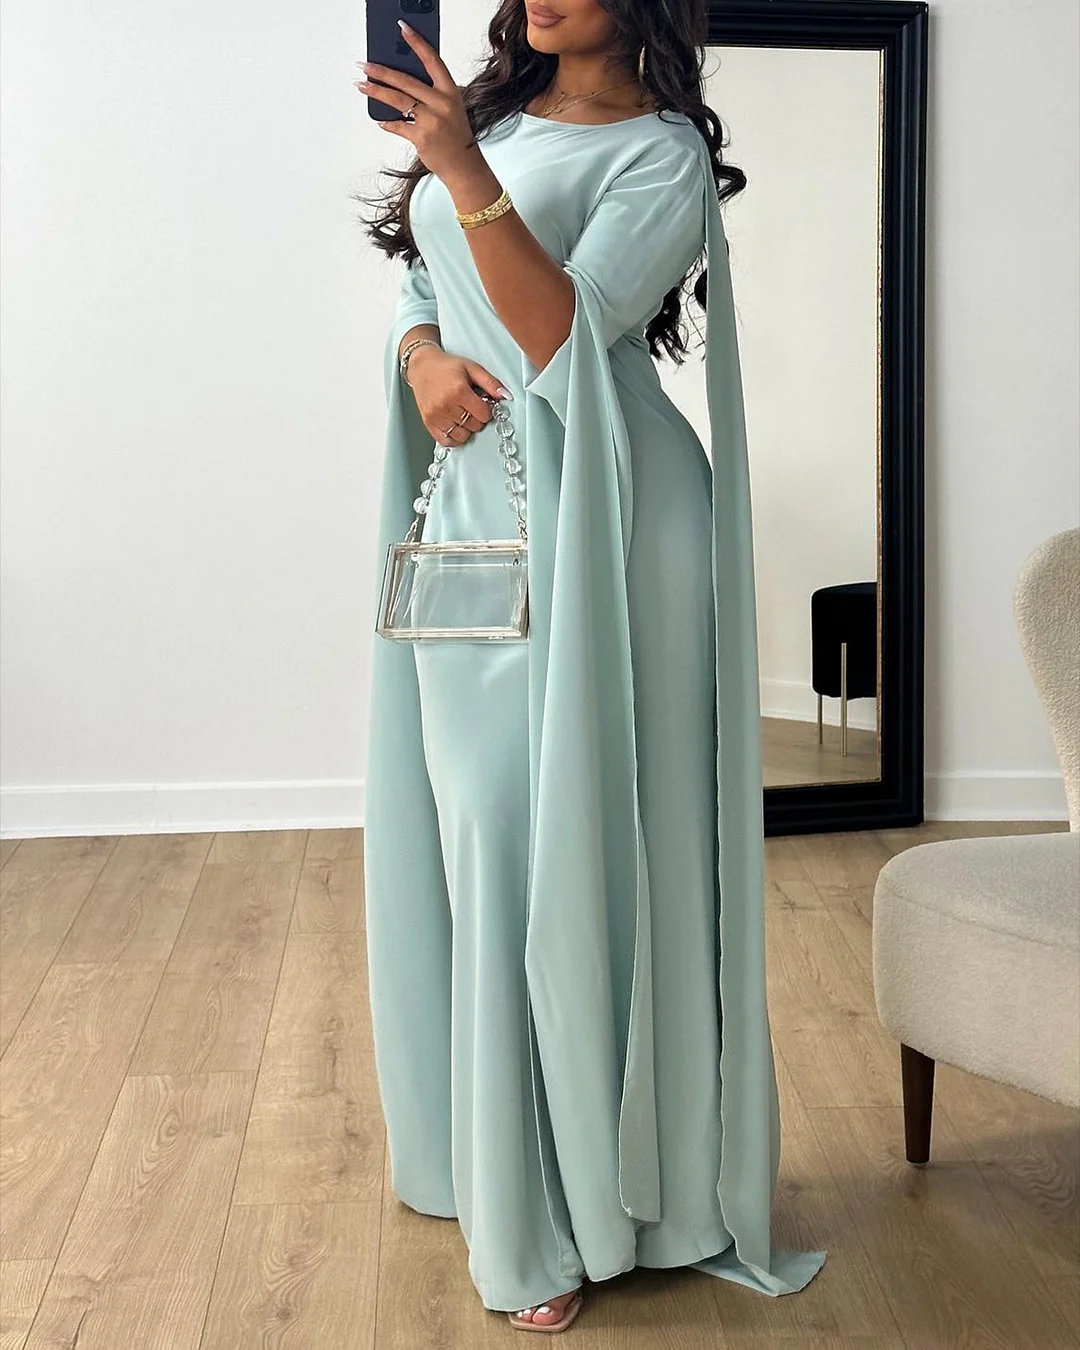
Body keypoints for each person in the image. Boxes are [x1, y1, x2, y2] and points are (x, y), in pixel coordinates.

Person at [357, 0, 827, 1333]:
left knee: (600, 835)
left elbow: (565, 336)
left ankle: (596, 1202)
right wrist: (420, 359)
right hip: (470, 502)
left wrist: (462, 167)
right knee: (484, 823)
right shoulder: (495, 118)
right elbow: (423, 287)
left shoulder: (661, 153)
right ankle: (513, 1182)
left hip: (617, 518)